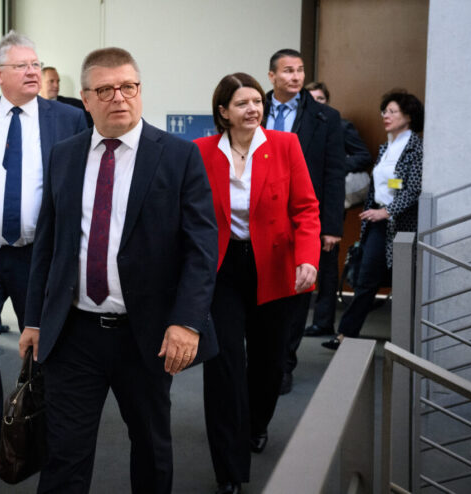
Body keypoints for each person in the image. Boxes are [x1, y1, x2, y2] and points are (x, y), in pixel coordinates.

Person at [19, 47, 219, 494]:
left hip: (144, 334)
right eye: (105, 90)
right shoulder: (64, 156)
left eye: (128, 86)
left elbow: (202, 250)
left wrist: (186, 322)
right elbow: (47, 247)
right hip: (74, 333)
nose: (119, 97)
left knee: (150, 447)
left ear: (140, 91)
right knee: (64, 452)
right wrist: (34, 318)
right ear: (85, 99)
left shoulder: (178, 156)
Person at [0, 31, 87, 471]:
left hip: (38, 258)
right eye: (22, 65)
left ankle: (38, 424)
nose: (32, 72)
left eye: (35, 64)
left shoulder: (66, 118)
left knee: (44, 344)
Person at [195, 73, 321, 493]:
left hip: (275, 266)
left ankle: (257, 421)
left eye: (256, 101)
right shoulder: (200, 153)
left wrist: (307, 257)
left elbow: (306, 208)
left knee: (268, 363)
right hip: (223, 269)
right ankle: (229, 470)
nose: (253, 109)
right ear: (223, 112)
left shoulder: (285, 146)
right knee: (223, 364)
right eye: (243, 103)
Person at [262, 49, 346, 395]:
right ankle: (262, 358)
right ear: (271, 76)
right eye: (287, 71)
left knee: (296, 295)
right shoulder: (254, 107)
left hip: (302, 218)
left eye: (299, 70)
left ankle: (284, 363)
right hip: (258, 218)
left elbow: (333, 173)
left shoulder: (326, 117)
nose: (295, 77)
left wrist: (331, 227)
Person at [323, 90, 424, 350]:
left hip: (400, 224)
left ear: (409, 117)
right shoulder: (385, 148)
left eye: (392, 112)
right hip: (377, 223)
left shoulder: (415, 148)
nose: (385, 116)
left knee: (402, 282)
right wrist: (375, 212)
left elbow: (413, 189)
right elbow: (379, 186)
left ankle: (407, 339)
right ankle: (346, 333)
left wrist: (388, 211)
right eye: (384, 111)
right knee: (366, 279)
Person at [301, 81, 373, 339]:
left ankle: (323, 322)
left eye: (320, 98)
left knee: (327, 265)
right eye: (311, 98)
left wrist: (334, 166)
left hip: (329, 205)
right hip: (299, 204)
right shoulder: (299, 127)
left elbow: (363, 156)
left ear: (327, 101)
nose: (316, 102)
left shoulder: (339, 126)